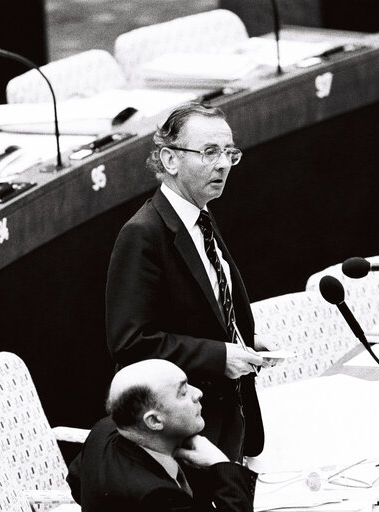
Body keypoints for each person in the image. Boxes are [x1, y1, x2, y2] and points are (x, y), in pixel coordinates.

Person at [105, 102, 277, 461]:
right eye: (210, 152)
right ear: (170, 160)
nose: (223, 164)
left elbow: (204, 307)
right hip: (186, 435)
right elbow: (131, 343)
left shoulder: (200, 216)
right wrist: (219, 356)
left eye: (229, 152)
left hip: (230, 421)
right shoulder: (143, 234)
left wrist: (243, 339)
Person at [67, 359, 257, 512]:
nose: (198, 393)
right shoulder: (155, 496)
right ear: (154, 421)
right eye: (183, 392)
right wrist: (221, 465)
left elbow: (76, 480)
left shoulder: (104, 429)